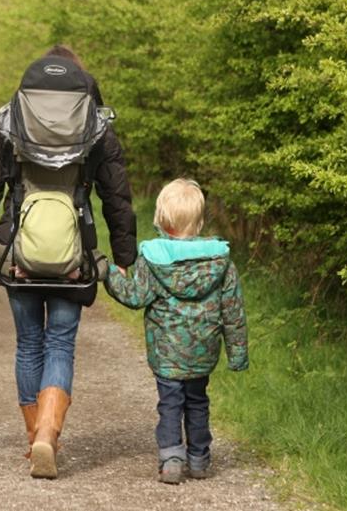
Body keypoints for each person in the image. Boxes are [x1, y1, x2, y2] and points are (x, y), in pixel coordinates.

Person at [0, 45, 137, 479]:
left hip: (17, 253)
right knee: (60, 343)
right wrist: (123, 257)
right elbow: (117, 196)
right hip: (73, 254)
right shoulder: (96, 125)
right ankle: (48, 433)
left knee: (28, 344)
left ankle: (33, 440)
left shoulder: (11, 121)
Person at [103, 178, 248, 484]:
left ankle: (171, 458)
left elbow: (135, 296)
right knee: (197, 401)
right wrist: (237, 354)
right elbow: (233, 312)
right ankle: (198, 459)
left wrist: (110, 275)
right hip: (202, 353)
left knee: (170, 402)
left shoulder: (155, 259)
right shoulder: (219, 261)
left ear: (161, 219)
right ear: (200, 221)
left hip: (166, 354)